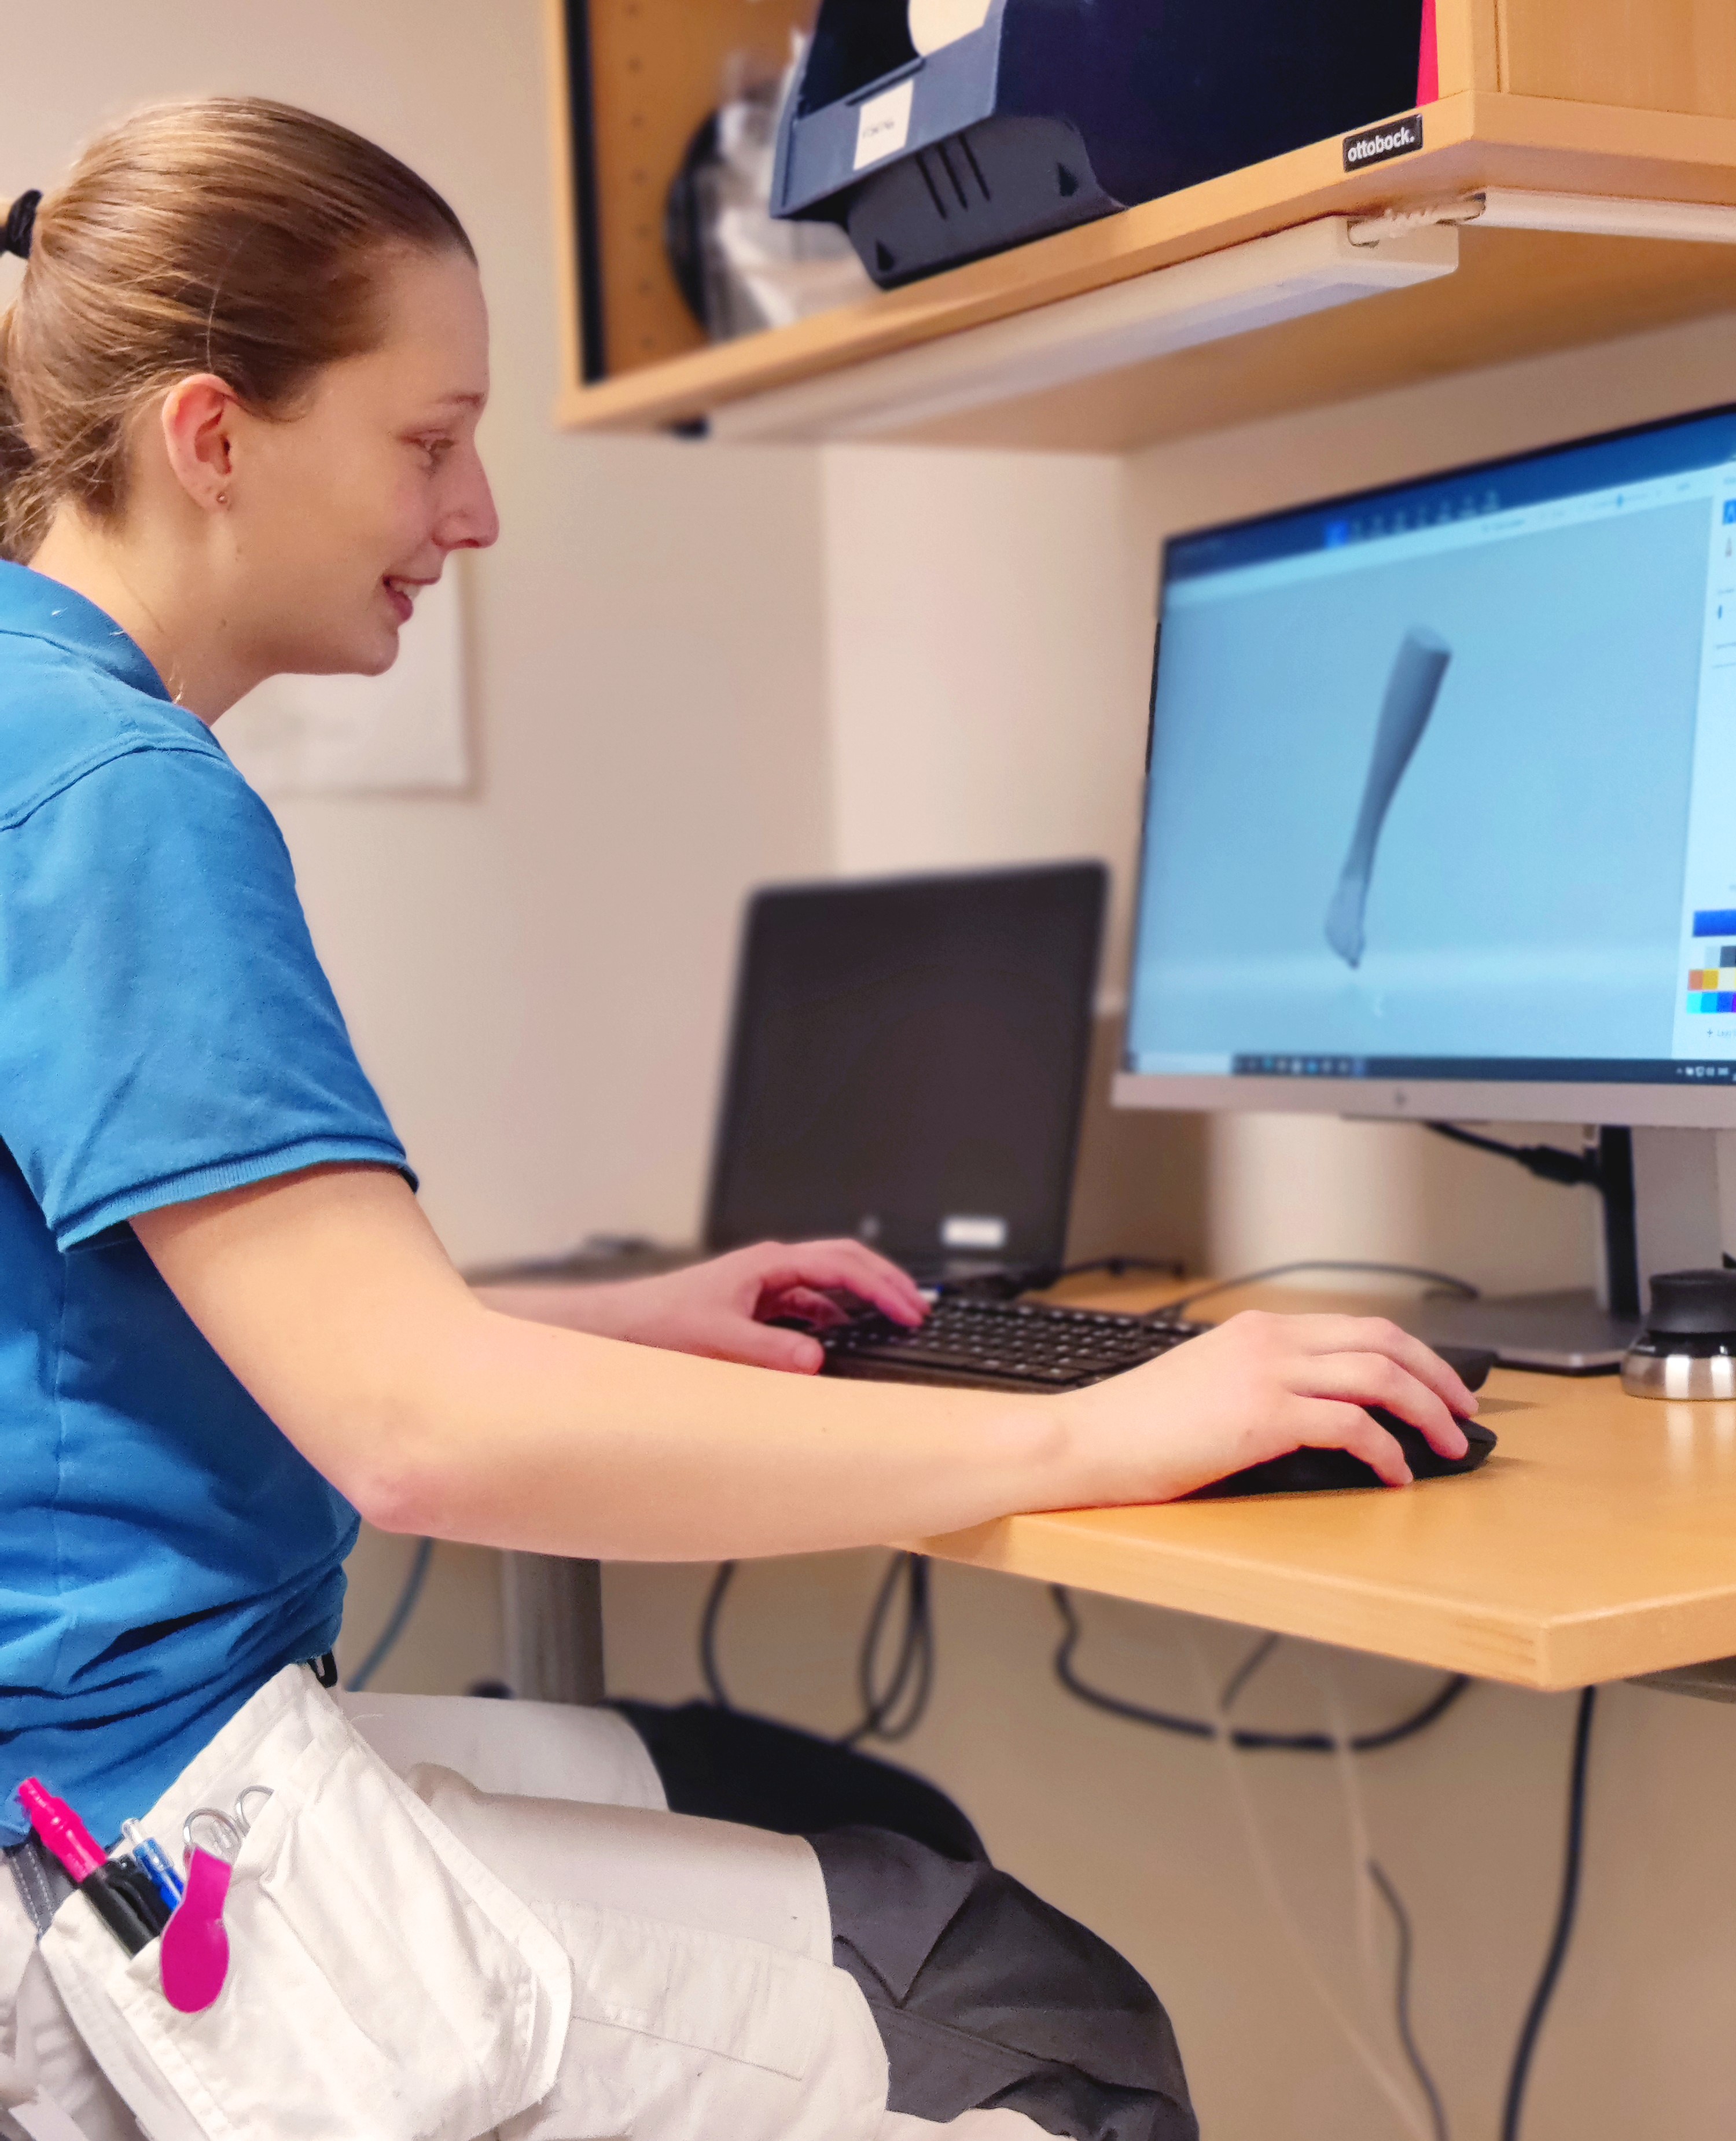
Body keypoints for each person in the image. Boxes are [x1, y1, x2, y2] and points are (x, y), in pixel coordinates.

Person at [0, 98, 1476, 2140]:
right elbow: (416, 1430)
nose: (481, 510)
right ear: (212, 437)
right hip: (127, 1850)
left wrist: (614, 1321)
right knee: (1046, 2030)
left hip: (106, 1774)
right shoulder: (115, 797)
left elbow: (134, 1333)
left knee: (867, 1820)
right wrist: (1096, 1424)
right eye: (429, 441)